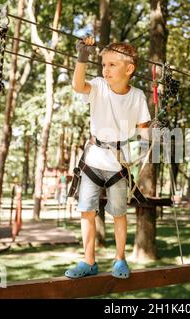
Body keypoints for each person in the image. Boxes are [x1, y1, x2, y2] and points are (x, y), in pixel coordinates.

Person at [65, 36, 151, 279]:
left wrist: (148, 140)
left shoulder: (138, 96)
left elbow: (144, 129)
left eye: (112, 64)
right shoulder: (99, 86)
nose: (106, 69)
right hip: (93, 160)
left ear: (129, 68)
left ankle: (120, 259)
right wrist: (82, 57)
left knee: (119, 214)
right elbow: (78, 86)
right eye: (104, 64)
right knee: (87, 211)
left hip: (118, 165)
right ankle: (88, 261)